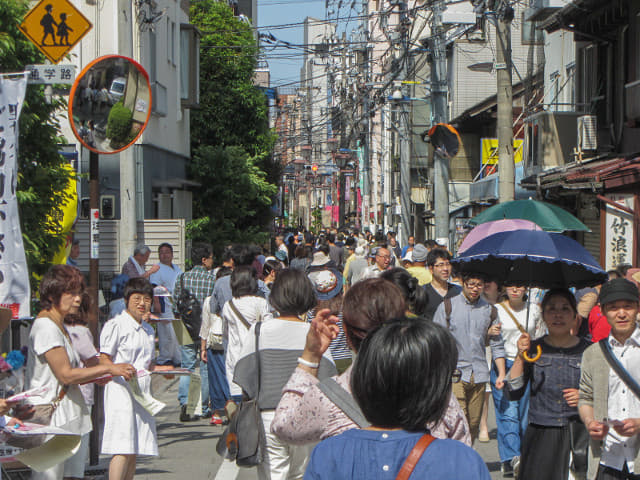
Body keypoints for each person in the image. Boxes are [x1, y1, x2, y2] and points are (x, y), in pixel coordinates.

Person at [272, 278, 470, 446]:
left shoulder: (328, 398)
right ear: (403, 325)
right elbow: (463, 453)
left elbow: (283, 426)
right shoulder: (436, 395)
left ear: (347, 334)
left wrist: (310, 357)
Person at [303, 318, 490, 480]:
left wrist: (310, 358)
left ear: (364, 381)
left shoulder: (329, 454)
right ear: (434, 391)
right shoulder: (460, 459)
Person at [25, 265, 134, 480]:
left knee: (70, 475)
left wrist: (101, 374)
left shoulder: (59, 325)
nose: (77, 299)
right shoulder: (46, 327)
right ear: (53, 294)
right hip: (51, 419)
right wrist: (107, 368)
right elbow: (66, 374)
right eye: (71, 293)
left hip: (66, 416)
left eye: (78, 293)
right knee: (49, 476)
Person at [234, 269, 337, 480]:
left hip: (268, 416)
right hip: (306, 415)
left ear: (275, 298)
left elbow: (243, 376)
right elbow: (329, 379)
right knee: (302, 475)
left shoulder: (259, 330)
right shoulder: (314, 332)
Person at [506, 288, 590, 480]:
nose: (558, 314)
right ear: (543, 315)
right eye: (551, 309)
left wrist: (585, 397)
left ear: (575, 316)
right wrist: (520, 357)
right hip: (541, 431)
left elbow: (605, 393)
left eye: (565, 309)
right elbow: (513, 391)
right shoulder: (533, 349)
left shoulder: (589, 350)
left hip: (578, 432)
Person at [100, 277, 174, 480]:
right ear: (127, 299)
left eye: (147, 299)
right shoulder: (115, 325)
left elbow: (146, 364)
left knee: (135, 445)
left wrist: (163, 369)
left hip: (142, 393)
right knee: (122, 445)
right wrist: (117, 369)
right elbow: (103, 359)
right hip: (120, 390)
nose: (142, 303)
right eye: (137, 298)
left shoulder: (148, 329)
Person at [433, 271, 506, 443]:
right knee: (460, 420)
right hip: (455, 373)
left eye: (479, 285)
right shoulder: (447, 307)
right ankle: (458, 463)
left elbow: (497, 345)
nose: (475, 289)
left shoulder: (490, 310)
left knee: (473, 423)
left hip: (479, 373)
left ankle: (465, 454)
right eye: (471, 284)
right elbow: (435, 340)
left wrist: (501, 373)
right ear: (463, 283)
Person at [579, 279, 640, 480]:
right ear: (602, 311)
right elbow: (586, 397)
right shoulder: (592, 354)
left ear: (637, 308)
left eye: (627, 306)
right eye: (613, 308)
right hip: (606, 459)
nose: (621, 313)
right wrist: (590, 422)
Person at [492, 285, 544, 477]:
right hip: (504, 362)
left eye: (520, 286)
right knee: (507, 412)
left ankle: (519, 455)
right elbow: (493, 339)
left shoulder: (535, 309)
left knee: (523, 414)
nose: (515, 290)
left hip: (528, 362)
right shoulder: (496, 310)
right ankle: (512, 457)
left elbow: (540, 335)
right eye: (512, 285)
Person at [220, 266, 271, 423]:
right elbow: (268, 328)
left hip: (235, 355)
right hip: (256, 355)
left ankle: (239, 419)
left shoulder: (229, 305)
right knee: (256, 393)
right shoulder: (260, 303)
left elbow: (226, 333)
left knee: (238, 393)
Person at [173, 243, 215, 421]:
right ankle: (201, 407)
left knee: (187, 366)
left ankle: (185, 402)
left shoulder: (182, 278)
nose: (213, 261)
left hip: (183, 325)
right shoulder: (212, 280)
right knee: (205, 367)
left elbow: (175, 301)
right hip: (206, 327)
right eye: (211, 258)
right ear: (204, 260)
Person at [149, 242, 182, 367]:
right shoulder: (157, 268)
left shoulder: (177, 268)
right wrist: (156, 303)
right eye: (161, 253)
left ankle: (177, 357)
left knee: (176, 332)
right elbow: (154, 286)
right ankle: (165, 357)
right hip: (164, 302)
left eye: (167, 252)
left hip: (176, 303)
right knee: (166, 332)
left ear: (172, 254)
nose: (164, 255)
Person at [423, 248, 461, 321]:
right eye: (441, 265)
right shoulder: (423, 293)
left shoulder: (459, 292)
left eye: (448, 264)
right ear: (431, 269)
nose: (445, 269)